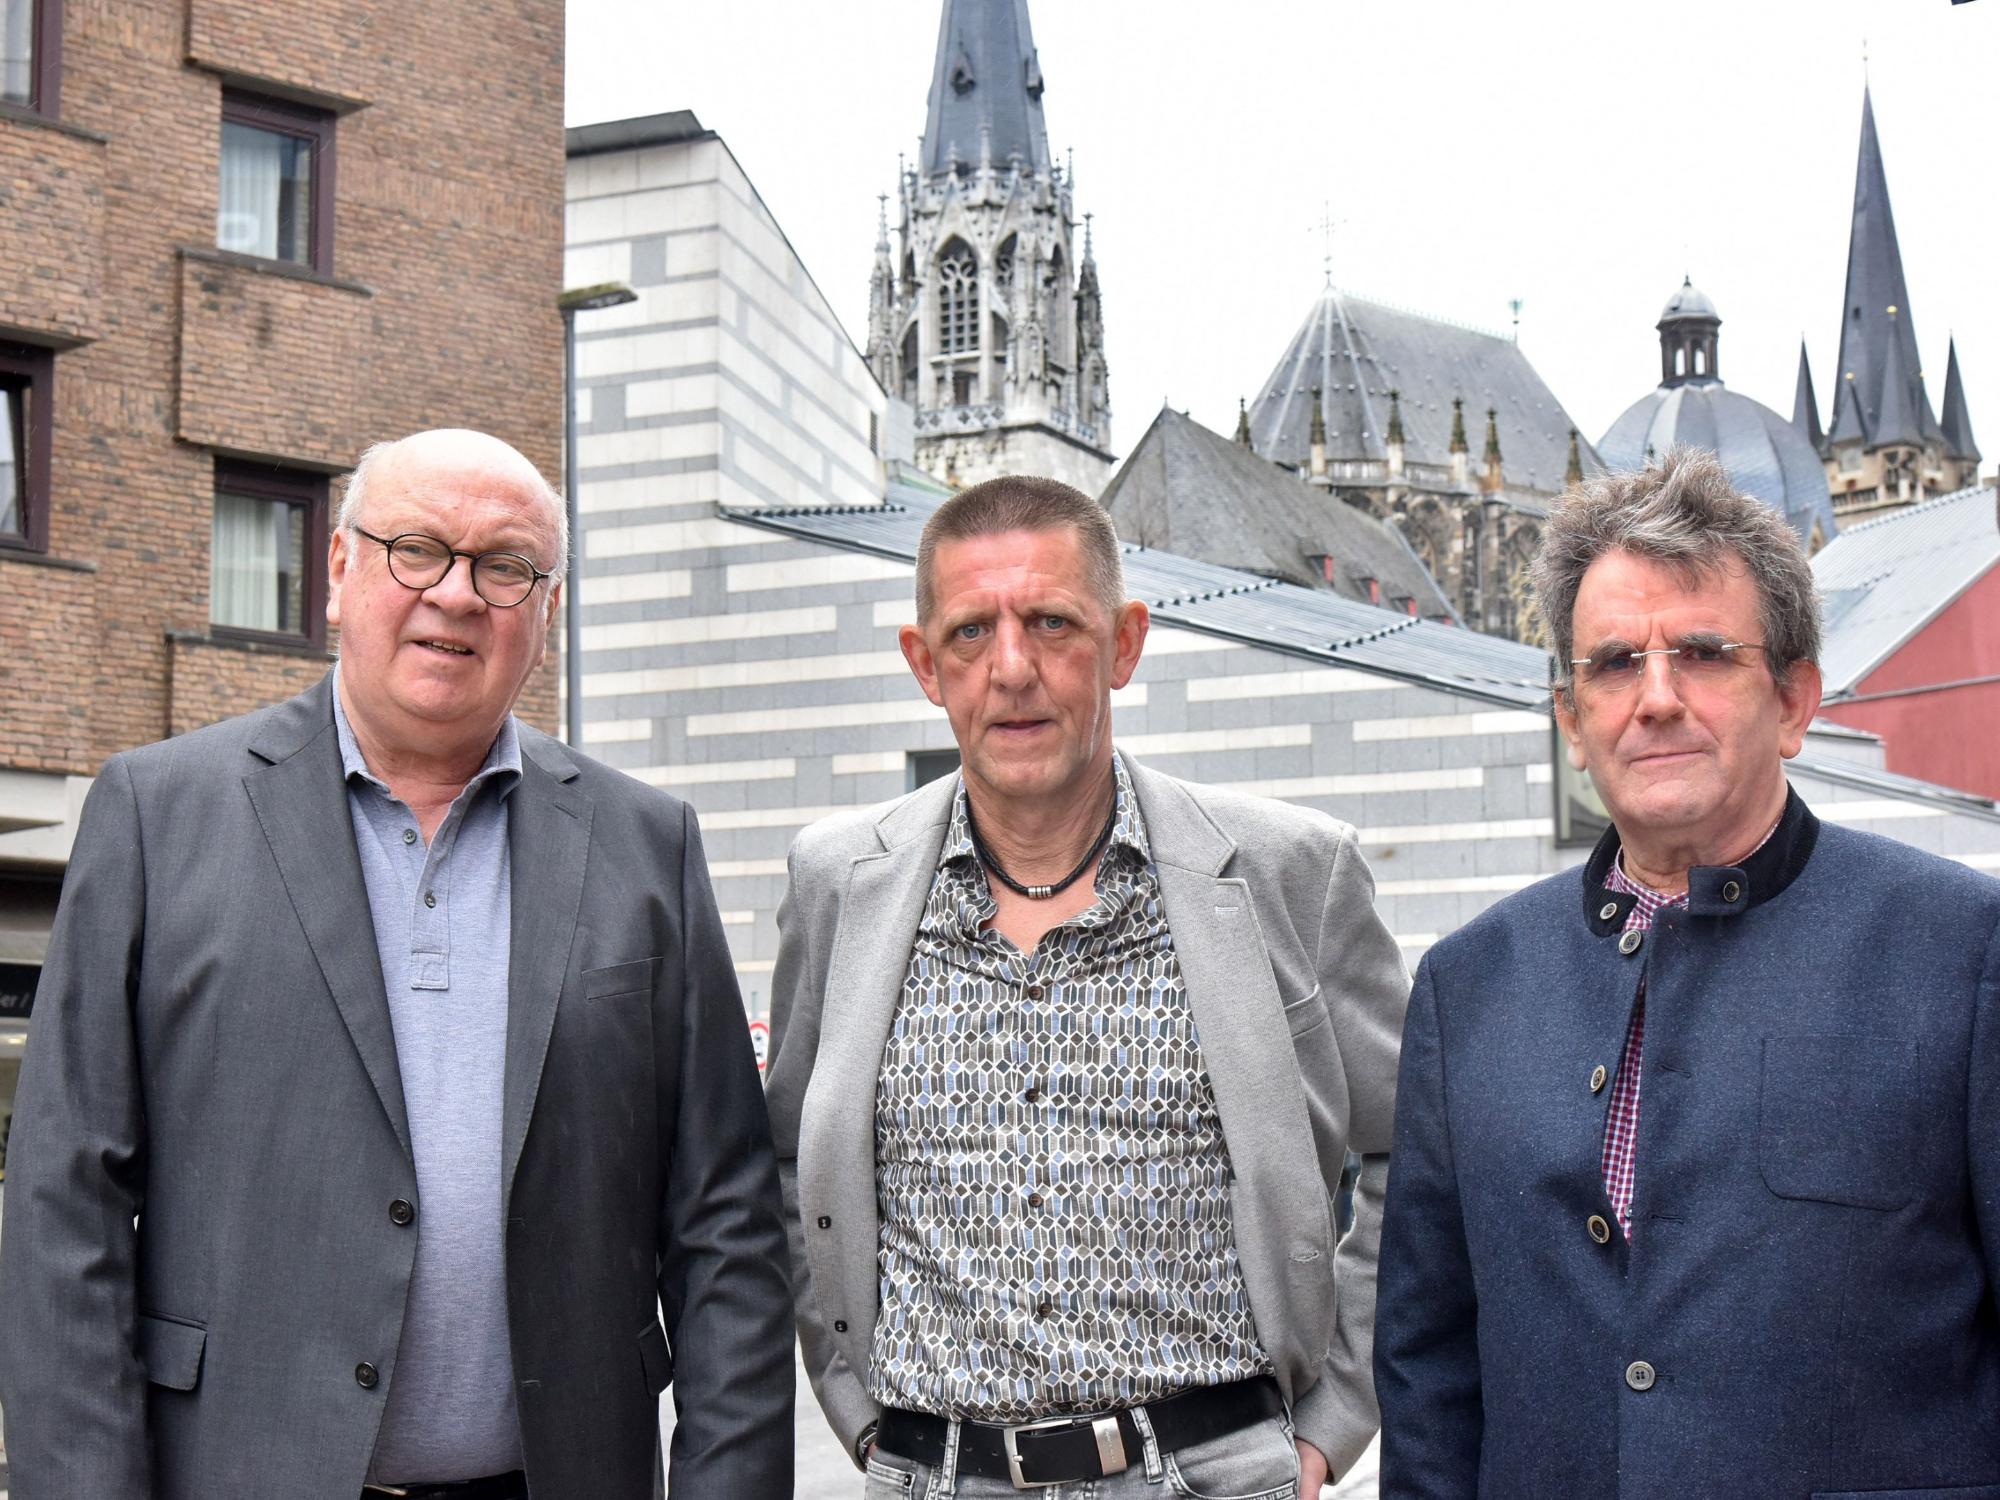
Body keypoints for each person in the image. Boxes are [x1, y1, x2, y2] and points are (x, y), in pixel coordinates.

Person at [0, 430, 792, 1499]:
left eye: (504, 567)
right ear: (337, 573)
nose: (456, 595)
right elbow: (64, 1201)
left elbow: (726, 1225)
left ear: (546, 615)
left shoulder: (648, 845)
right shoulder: (155, 815)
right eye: (414, 549)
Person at [765, 475, 1409, 1497]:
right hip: (933, 1477)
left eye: (1051, 623)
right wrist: (849, 1402)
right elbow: (786, 1165)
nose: (1010, 668)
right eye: (971, 632)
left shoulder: (1291, 870)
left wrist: (1332, 1420)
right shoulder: (839, 883)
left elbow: (1413, 1159)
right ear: (923, 664)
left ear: (1122, 643)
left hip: (1210, 1472)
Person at [1375, 448, 2000, 1497]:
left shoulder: (1960, 953)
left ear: (1794, 701)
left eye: (1702, 653)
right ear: (1571, 722)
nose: (1653, 697)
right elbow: (1426, 1371)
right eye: (1613, 663)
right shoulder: (1467, 987)